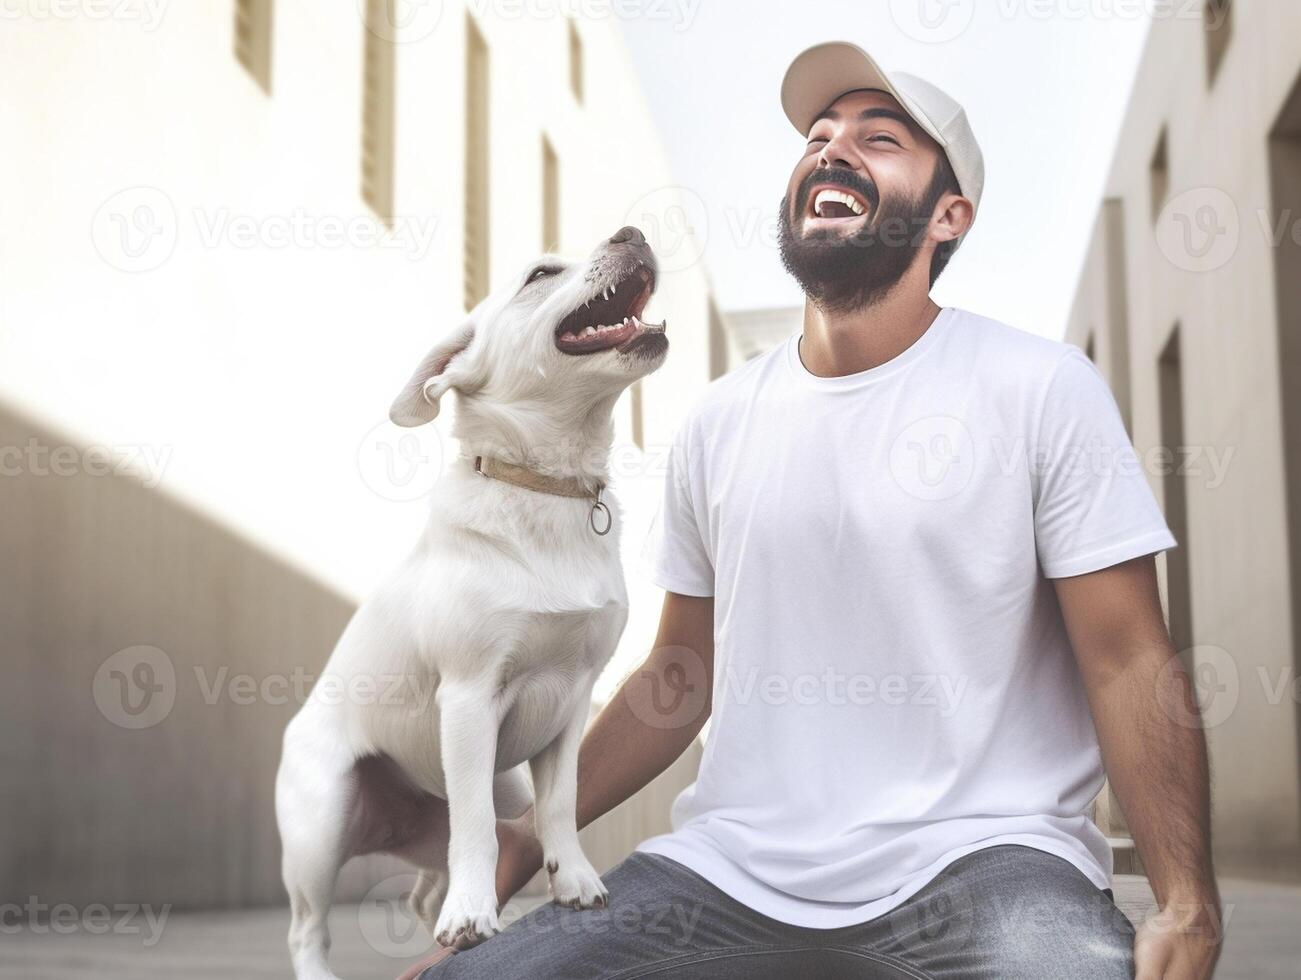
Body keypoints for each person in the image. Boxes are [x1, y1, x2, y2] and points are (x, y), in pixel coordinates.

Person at [406, 40, 1222, 980]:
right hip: (726, 874)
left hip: (986, 864)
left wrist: (1187, 904)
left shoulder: (1040, 390)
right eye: (819, 136)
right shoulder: (718, 420)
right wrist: (526, 833)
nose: (832, 150)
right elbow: (678, 677)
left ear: (947, 215)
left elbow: (1127, 659)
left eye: (880, 139)